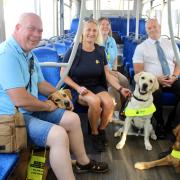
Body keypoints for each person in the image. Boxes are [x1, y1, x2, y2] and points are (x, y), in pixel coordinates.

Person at [0, 13, 109, 180]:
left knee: (72, 119)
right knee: (58, 135)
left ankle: (82, 162)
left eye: (40, 31)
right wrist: (47, 105)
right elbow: (20, 99)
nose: (37, 35)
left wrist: (60, 98)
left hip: (27, 110)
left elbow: (40, 84)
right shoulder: (7, 54)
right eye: (31, 29)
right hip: (12, 118)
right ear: (17, 28)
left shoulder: (29, 54)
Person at [61, 18, 131, 152]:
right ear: (82, 32)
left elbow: (107, 74)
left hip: (96, 86)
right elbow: (63, 74)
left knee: (110, 102)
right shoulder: (73, 50)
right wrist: (77, 87)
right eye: (88, 30)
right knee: (95, 102)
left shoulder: (100, 50)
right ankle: (94, 133)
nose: (91, 33)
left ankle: (101, 129)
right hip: (78, 87)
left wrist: (120, 88)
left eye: (94, 30)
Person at [133, 18, 180, 139]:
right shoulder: (141, 48)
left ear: (160, 27)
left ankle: (173, 123)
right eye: (149, 28)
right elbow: (139, 72)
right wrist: (155, 79)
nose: (153, 29)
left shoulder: (171, 44)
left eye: (155, 26)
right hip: (153, 81)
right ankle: (159, 123)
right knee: (156, 94)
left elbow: (178, 64)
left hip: (172, 78)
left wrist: (174, 76)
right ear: (146, 31)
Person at [98, 17, 129, 118]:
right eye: (102, 24)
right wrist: (110, 73)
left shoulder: (112, 40)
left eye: (107, 24)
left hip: (111, 69)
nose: (105, 26)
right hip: (100, 72)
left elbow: (115, 57)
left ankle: (125, 107)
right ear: (98, 26)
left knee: (124, 80)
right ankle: (115, 111)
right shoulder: (95, 41)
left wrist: (115, 70)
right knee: (114, 82)